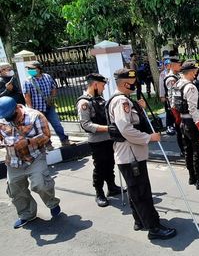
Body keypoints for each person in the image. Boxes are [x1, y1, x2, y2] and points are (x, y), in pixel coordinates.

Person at [107, 68, 177, 240]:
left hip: (130, 154)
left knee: (135, 189)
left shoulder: (124, 100)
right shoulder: (121, 101)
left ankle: (139, 220)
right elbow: (126, 129)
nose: (135, 84)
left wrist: (140, 107)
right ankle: (153, 228)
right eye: (133, 82)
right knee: (141, 191)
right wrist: (149, 138)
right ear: (125, 83)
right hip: (130, 154)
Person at [0, 96, 61, 229]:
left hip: (35, 157)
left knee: (41, 184)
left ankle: (52, 203)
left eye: (12, 116)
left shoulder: (35, 116)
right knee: (15, 190)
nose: (10, 120)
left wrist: (28, 142)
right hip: (13, 161)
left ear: (17, 107)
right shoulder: (2, 118)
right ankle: (27, 214)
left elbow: (46, 136)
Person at [76, 73, 122, 207]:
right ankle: (99, 193)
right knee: (100, 167)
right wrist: (107, 128)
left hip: (108, 138)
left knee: (110, 163)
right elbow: (86, 124)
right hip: (97, 141)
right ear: (95, 84)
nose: (103, 88)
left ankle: (112, 187)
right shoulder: (84, 102)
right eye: (102, 85)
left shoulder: (99, 98)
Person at [171, 60, 199, 190]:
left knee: (188, 151)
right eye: (195, 72)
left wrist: (179, 119)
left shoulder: (177, 84)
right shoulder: (190, 87)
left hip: (184, 123)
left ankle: (192, 177)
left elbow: (173, 105)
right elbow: (193, 110)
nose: (196, 74)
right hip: (193, 122)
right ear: (190, 72)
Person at [23, 60, 71, 149]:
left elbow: (53, 87)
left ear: (39, 69)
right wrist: (30, 109)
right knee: (42, 128)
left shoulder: (47, 77)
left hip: (49, 106)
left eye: (31, 68)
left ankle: (64, 140)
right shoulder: (28, 81)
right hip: (37, 109)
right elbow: (27, 96)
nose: (29, 70)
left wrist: (52, 97)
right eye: (29, 68)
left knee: (57, 124)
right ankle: (48, 144)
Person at [162, 57, 185, 156]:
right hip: (177, 108)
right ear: (172, 65)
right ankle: (183, 150)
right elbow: (172, 97)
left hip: (181, 107)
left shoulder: (177, 75)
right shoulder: (171, 79)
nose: (180, 66)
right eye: (178, 64)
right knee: (180, 130)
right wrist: (175, 112)